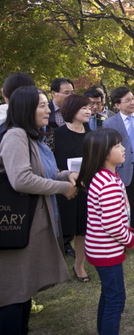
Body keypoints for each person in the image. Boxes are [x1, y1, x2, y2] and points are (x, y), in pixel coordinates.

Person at [0, 86, 78, 334]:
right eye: (42, 105)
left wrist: (66, 174)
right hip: (18, 226)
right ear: (25, 109)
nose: (48, 109)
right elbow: (21, 179)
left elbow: (44, 172)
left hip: (33, 224)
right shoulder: (15, 136)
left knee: (24, 288)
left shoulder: (33, 136)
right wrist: (62, 186)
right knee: (14, 291)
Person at [79, 128, 134, 334]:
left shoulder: (104, 177)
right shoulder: (107, 184)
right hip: (106, 250)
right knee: (115, 300)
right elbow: (112, 224)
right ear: (104, 152)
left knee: (109, 295)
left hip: (100, 248)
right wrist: (131, 241)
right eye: (117, 146)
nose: (123, 149)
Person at [103, 87, 134, 255]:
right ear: (117, 105)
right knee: (125, 207)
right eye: (127, 100)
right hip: (123, 170)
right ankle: (127, 240)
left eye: (133, 98)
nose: (132, 103)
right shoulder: (109, 124)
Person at [53, 94, 93, 282]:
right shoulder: (56, 135)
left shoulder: (91, 135)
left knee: (82, 229)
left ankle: (79, 265)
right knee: (61, 228)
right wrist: (64, 174)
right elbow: (48, 165)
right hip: (63, 189)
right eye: (83, 108)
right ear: (70, 110)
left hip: (87, 190)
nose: (88, 111)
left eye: (89, 107)